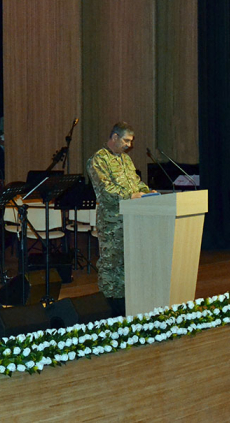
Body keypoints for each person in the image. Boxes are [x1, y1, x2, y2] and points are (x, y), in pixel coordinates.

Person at [86, 122, 155, 315]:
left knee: (127, 263)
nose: (129, 145)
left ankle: (124, 305)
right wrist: (129, 195)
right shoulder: (99, 159)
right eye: (126, 140)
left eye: (131, 142)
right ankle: (108, 306)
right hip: (111, 221)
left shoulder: (126, 160)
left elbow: (136, 182)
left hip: (132, 220)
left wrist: (147, 192)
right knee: (110, 263)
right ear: (114, 137)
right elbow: (105, 189)